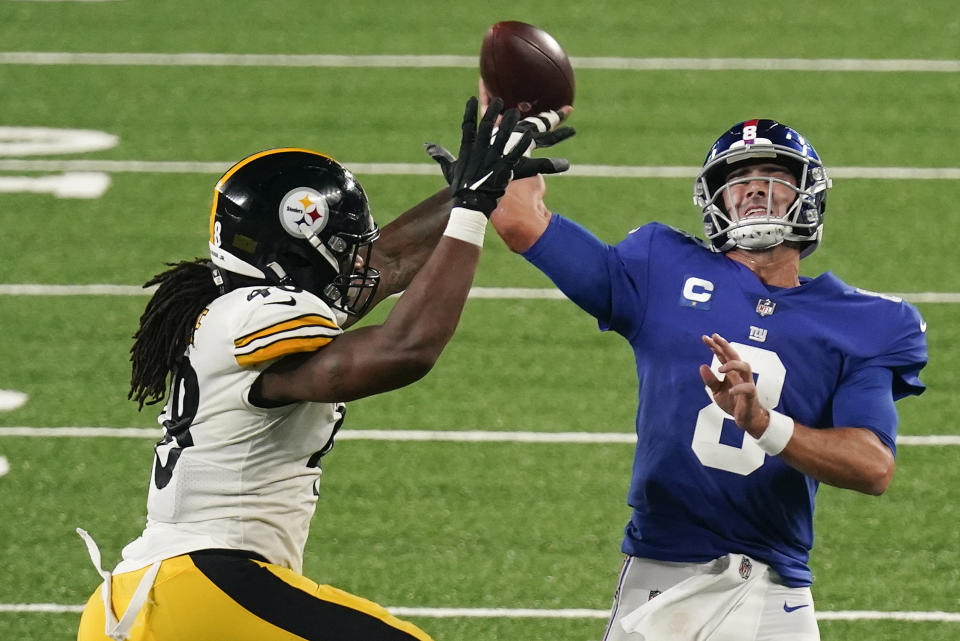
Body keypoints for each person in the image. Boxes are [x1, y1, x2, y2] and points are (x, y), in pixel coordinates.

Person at [75, 97, 570, 641]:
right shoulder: (253, 318)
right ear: (298, 247)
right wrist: (472, 210)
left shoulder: (228, 311)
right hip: (200, 589)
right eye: (341, 247)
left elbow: (391, 261)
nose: (358, 259)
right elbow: (406, 348)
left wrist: (478, 185)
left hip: (145, 601)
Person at [487, 119, 928, 640]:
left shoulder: (865, 321)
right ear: (715, 199)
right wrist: (509, 120)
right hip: (662, 573)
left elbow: (873, 466)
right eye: (739, 178)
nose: (756, 188)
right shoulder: (660, 266)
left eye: (775, 174)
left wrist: (765, 424)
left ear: (807, 195)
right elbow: (520, 220)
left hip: (775, 588)